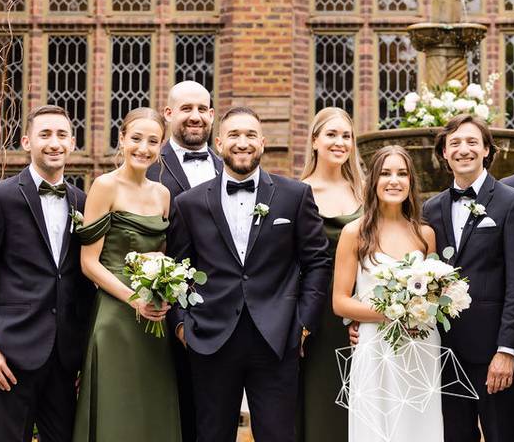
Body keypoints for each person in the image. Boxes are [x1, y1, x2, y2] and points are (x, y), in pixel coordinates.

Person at [167, 106, 331, 442]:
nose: (243, 142)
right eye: (235, 135)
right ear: (219, 142)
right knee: (211, 434)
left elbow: (317, 262)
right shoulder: (189, 203)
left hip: (276, 338)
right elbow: (178, 269)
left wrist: (304, 325)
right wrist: (182, 325)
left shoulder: (295, 196)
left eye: (251, 135)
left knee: (277, 434)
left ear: (263, 142)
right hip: (210, 338)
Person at [0, 105, 93, 442]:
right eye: (45, 134)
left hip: (65, 360)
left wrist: (86, 357)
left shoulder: (83, 202)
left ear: (72, 143)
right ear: (26, 141)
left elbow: (84, 285)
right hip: (11, 357)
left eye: (62, 135)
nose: (54, 143)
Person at [422, 114, 514, 442]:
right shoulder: (432, 208)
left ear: (487, 149)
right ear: (444, 152)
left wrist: (507, 351)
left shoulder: (513, 202)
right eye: (454, 143)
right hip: (444, 353)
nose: (463, 150)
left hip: (494, 354)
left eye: (472, 142)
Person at [73, 107, 179, 441]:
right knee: (117, 409)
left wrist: (163, 291)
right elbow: (89, 262)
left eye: (153, 141)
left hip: (154, 315)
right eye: (136, 139)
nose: (143, 148)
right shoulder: (104, 186)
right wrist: (134, 299)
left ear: (161, 146)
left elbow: (162, 253)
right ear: (122, 139)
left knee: (151, 407)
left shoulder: (163, 195)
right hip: (116, 315)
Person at [333, 145, 442, 442]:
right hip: (375, 344)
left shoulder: (425, 234)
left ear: (411, 182)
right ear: (373, 182)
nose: (394, 181)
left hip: (420, 345)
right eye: (385, 173)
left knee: (419, 424)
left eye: (402, 174)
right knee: (377, 426)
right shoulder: (355, 233)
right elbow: (340, 302)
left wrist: (421, 309)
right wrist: (394, 312)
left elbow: (433, 294)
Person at [147, 80, 221, 442]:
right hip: (161, 314)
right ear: (169, 113)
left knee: (215, 418)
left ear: (211, 115)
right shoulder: (148, 168)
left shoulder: (232, 169)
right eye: (186, 109)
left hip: (224, 312)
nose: (195, 117)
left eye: (202, 109)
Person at [297, 108, 365, 442]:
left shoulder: (364, 191)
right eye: (331, 135)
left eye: (346, 136)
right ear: (314, 141)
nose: (339, 143)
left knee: (361, 400)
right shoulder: (298, 192)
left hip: (362, 313)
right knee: (322, 398)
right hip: (317, 315)